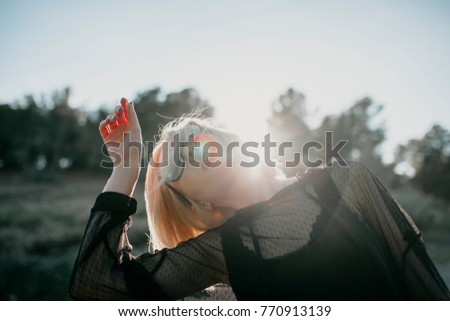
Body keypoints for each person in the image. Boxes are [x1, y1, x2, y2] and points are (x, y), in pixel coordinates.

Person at [69, 98, 450, 300]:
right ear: (204, 207)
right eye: (177, 166)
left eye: (197, 136)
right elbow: (96, 286)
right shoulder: (225, 249)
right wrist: (127, 166)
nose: (195, 147)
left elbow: (421, 283)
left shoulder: (345, 181)